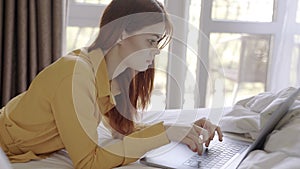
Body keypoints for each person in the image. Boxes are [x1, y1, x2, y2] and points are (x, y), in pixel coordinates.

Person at [0, 0, 223, 168]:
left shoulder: (109, 75)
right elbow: (88, 162)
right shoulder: (75, 75)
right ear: (122, 32)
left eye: (158, 42)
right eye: (151, 40)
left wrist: (181, 128)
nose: (156, 51)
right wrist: (165, 134)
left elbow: (123, 130)